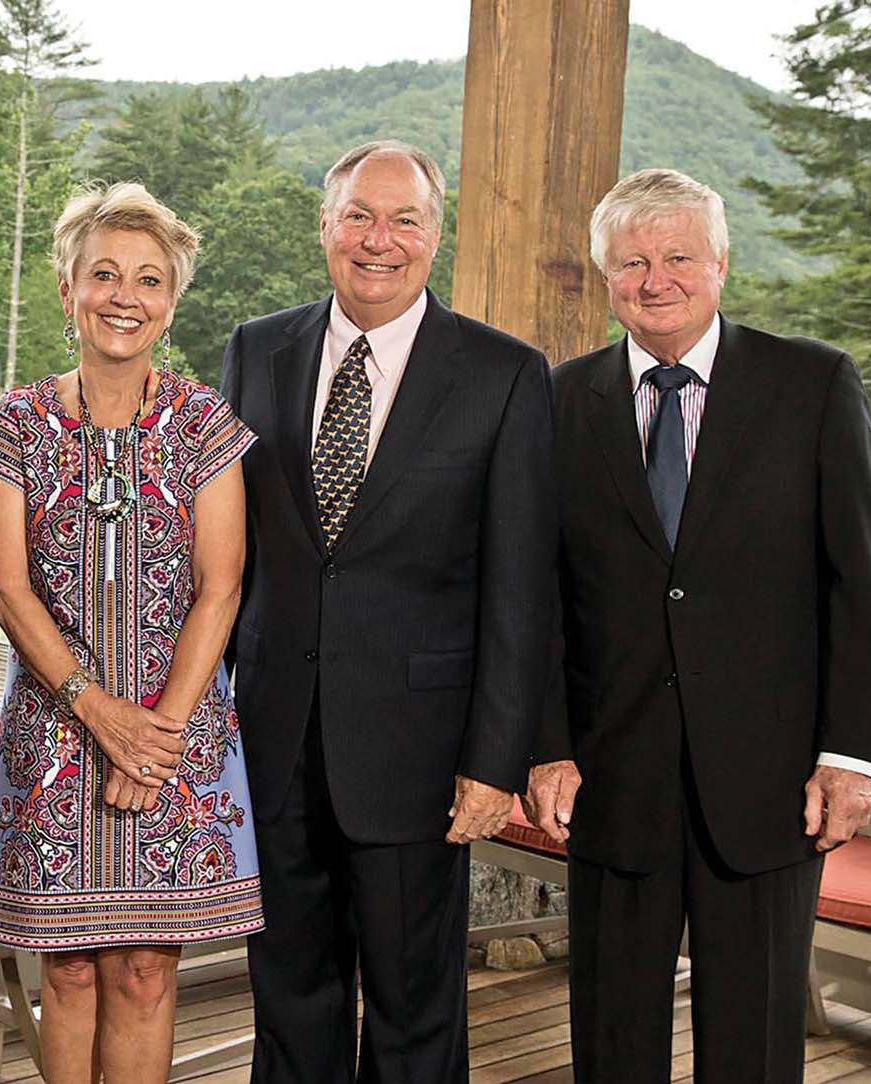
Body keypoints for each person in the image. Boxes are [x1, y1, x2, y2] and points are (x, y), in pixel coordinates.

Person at [523, 167, 871, 1083]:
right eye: (633, 262)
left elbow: (864, 583)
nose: (656, 280)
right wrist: (547, 743)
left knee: (757, 1040)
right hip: (611, 777)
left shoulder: (812, 384)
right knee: (613, 1039)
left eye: (679, 256)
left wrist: (850, 756)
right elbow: (535, 595)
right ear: (607, 277)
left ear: (721, 263)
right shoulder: (561, 403)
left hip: (773, 785)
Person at [220, 140, 557, 1084]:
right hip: (274, 738)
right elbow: (226, 547)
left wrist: (495, 760)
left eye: (404, 220)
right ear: (324, 228)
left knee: (414, 1010)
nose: (380, 240)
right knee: (289, 996)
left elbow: (521, 587)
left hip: (419, 753)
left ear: (435, 235)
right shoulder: (257, 347)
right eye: (359, 217)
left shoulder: (504, 374)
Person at [0, 181, 263, 1084]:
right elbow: (5, 584)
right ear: (67, 290)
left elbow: (221, 590)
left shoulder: (204, 424)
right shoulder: (18, 425)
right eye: (103, 274)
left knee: (144, 973)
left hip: (176, 736)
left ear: (170, 301)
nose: (124, 297)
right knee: (65, 971)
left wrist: (158, 739)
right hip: (54, 734)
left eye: (147, 279)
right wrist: (95, 711)